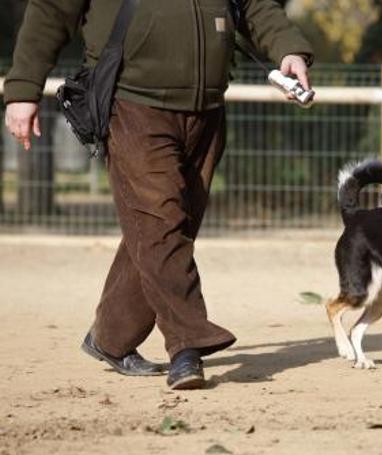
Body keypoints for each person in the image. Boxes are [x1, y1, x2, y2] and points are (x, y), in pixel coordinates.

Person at [3, 0, 313, 390]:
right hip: (132, 103)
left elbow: (254, 5)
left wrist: (288, 50)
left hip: (207, 109)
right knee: (159, 222)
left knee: (163, 228)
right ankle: (187, 342)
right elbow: (50, 11)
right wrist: (22, 90)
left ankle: (110, 338)